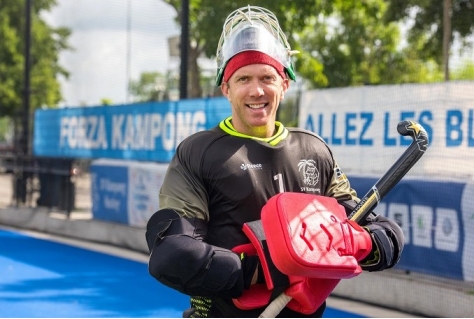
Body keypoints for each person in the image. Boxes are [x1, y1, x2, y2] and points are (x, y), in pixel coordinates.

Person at [146, 5, 404, 318]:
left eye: (267, 77)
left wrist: (362, 243)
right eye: (243, 79)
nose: (257, 90)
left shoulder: (313, 151)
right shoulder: (198, 153)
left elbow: (379, 231)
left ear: (284, 84)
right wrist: (268, 268)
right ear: (226, 88)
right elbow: (173, 253)